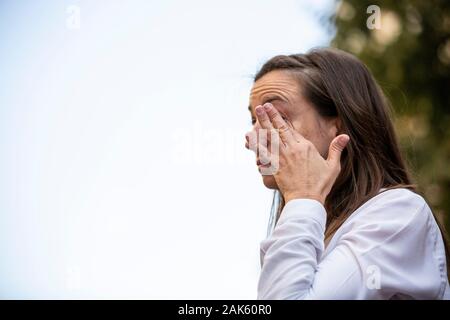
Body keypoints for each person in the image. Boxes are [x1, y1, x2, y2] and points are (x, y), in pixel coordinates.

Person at [245, 48, 450, 299]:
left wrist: (302, 198)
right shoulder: (312, 229)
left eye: (277, 118)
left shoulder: (398, 213)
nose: (252, 138)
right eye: (253, 120)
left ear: (338, 125)